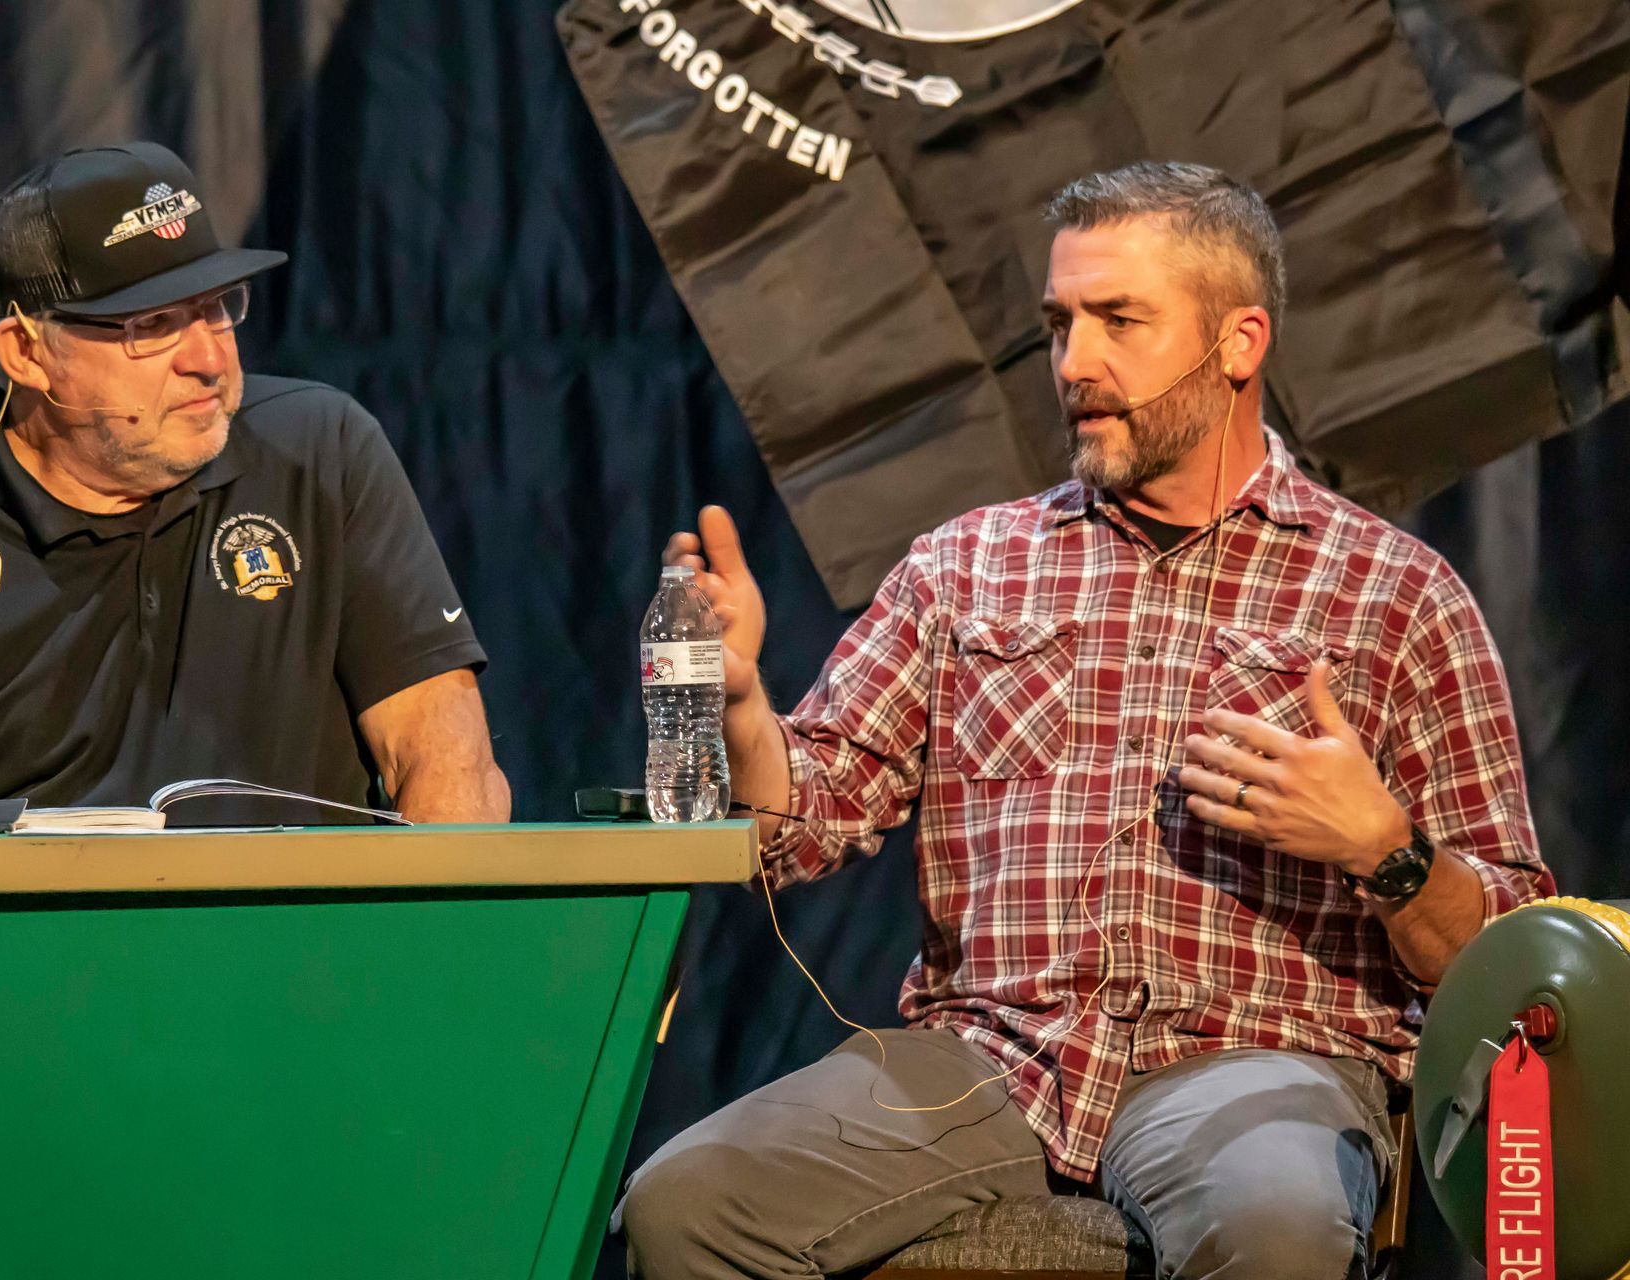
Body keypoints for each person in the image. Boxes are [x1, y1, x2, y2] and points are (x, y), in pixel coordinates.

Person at [623, 161, 1552, 1278]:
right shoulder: (967, 565)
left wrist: (1385, 850)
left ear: (1239, 342)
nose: (1074, 363)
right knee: (684, 1203)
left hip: (1256, 1056)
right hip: (987, 1059)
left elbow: (1512, 961)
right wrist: (738, 706)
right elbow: (808, 814)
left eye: (1121, 320)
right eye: (1060, 324)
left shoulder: (1394, 595)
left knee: (1277, 1225)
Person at [0, 142, 510, 823]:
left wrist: (439, 909)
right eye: (154, 324)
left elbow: (441, 749)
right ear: (27, 354)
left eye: (217, 308)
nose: (209, 359)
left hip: (309, 916)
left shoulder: (322, 448)